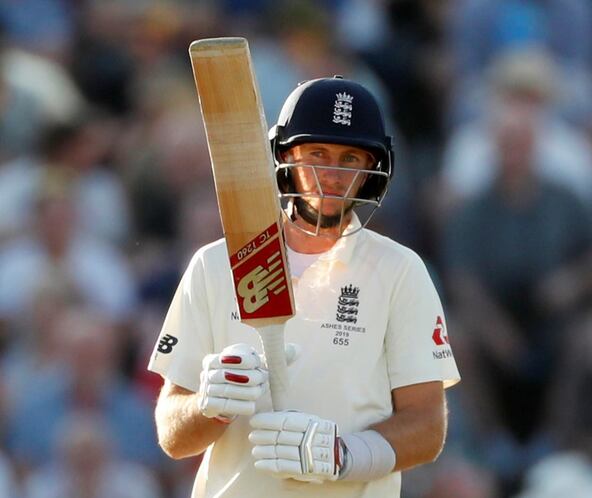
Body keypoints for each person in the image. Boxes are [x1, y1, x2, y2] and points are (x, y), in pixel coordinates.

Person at [149, 76, 460, 498]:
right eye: (317, 153)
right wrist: (209, 405)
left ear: (371, 171)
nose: (331, 174)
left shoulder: (400, 271)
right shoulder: (214, 265)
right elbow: (172, 434)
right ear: (286, 157)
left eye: (350, 158)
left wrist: (342, 455)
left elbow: (427, 427)